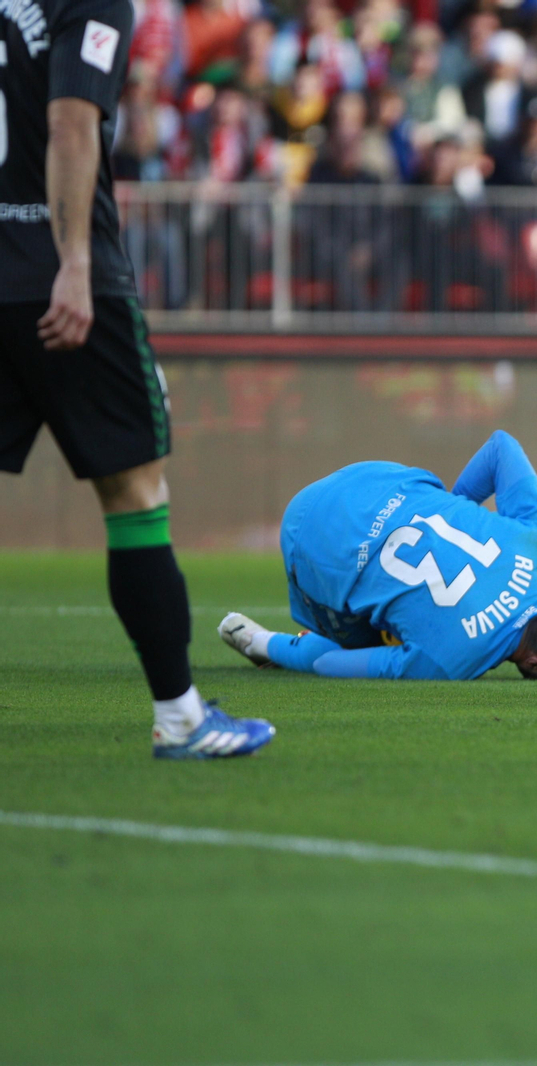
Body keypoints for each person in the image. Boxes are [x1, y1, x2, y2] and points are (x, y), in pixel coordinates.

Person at [1, 0, 274, 757]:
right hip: (55, 273)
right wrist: (75, 263)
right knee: (134, 494)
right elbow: (70, 123)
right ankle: (181, 717)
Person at [218, 431, 537, 683]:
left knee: (404, 615)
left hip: (372, 479)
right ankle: (259, 642)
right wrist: (264, 643)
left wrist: (451, 506)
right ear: (536, 664)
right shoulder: (448, 664)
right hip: (308, 533)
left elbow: (501, 447)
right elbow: (327, 664)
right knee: (361, 643)